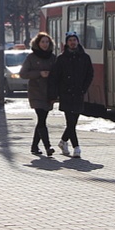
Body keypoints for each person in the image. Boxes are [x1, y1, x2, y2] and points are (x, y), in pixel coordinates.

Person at [52, 31, 93, 159]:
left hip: (78, 94)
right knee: (70, 121)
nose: (72, 42)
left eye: (74, 40)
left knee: (73, 122)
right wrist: (57, 93)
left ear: (78, 42)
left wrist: (84, 89)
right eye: (70, 40)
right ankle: (77, 148)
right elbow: (56, 77)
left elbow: (89, 74)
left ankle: (63, 142)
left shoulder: (85, 58)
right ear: (66, 43)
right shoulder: (61, 58)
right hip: (66, 94)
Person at [19, 32, 56, 156]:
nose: (45, 44)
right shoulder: (31, 57)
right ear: (37, 43)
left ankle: (34, 146)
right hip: (36, 92)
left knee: (42, 120)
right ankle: (48, 146)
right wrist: (39, 74)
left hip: (49, 93)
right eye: (42, 42)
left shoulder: (52, 57)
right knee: (41, 118)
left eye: (47, 42)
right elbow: (23, 74)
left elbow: (58, 73)